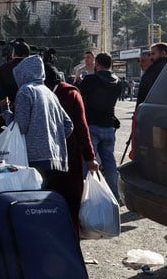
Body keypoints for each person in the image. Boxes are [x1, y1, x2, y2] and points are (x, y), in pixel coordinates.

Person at [0, 55, 74, 193]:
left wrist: (5, 111)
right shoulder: (50, 93)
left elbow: (20, 127)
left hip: (34, 158)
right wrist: (52, 140)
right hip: (55, 158)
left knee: (32, 201)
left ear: (23, 73)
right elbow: (68, 125)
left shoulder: (25, 91)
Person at [44, 65, 99, 237]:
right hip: (62, 157)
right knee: (65, 200)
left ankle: (67, 239)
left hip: (64, 157)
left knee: (67, 200)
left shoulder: (69, 94)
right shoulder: (70, 94)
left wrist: (90, 157)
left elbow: (82, 127)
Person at [77, 52, 122, 201]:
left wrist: (78, 79)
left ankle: (84, 197)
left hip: (92, 125)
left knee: (87, 162)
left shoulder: (91, 80)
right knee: (110, 164)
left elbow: (76, 92)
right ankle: (115, 196)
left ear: (97, 64)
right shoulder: (117, 81)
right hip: (108, 126)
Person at [0, 41, 30, 115]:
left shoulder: (5, 68)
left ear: (14, 53)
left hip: (5, 110)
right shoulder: (33, 70)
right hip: (27, 109)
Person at [136, 43, 167, 107]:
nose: (151, 57)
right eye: (139, 61)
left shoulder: (154, 71)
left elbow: (144, 96)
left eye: (153, 54)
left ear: (163, 53)